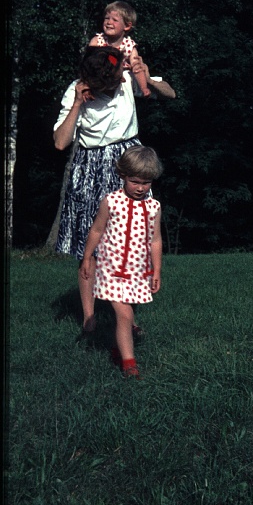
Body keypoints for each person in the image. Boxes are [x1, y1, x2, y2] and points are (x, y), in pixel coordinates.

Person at [53, 44, 175, 334]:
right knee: (89, 241)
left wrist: (146, 75)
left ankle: (128, 318)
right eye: (119, 73)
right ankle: (89, 318)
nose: (123, 76)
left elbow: (170, 93)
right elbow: (60, 142)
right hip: (90, 166)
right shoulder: (77, 89)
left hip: (127, 163)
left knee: (131, 240)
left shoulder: (128, 78)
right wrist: (77, 105)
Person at [80, 146, 163, 380]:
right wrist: (87, 257)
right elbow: (96, 230)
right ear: (123, 176)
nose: (140, 188)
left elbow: (155, 240)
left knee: (129, 311)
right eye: (135, 181)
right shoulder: (111, 201)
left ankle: (118, 350)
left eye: (146, 183)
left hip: (138, 272)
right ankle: (129, 364)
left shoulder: (154, 206)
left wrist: (157, 270)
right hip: (113, 270)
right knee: (125, 315)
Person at [89, 0, 151, 97]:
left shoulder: (129, 46)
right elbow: (88, 65)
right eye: (106, 18)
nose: (109, 22)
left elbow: (137, 68)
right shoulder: (97, 41)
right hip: (99, 80)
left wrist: (144, 87)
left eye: (115, 20)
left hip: (120, 86)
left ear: (127, 26)